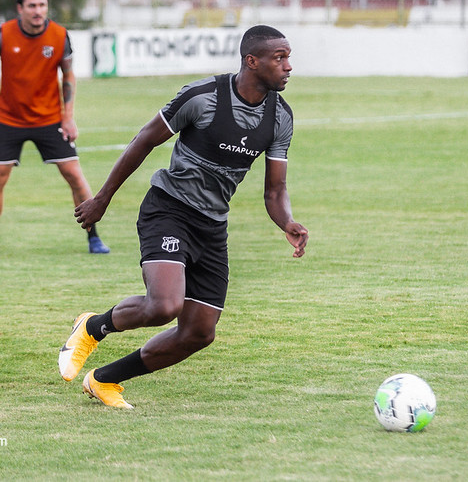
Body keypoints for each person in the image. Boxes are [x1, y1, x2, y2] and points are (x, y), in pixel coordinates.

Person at [58, 25, 308, 408]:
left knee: (198, 333)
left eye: (289, 57)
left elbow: (275, 190)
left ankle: (103, 380)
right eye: (280, 58)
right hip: (169, 209)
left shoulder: (280, 118)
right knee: (164, 306)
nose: (288, 66)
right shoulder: (202, 97)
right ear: (251, 61)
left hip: (212, 226)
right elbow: (144, 140)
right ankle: (93, 326)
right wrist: (101, 199)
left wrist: (287, 221)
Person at [0, 0, 109, 256]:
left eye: (42, 5)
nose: (38, 11)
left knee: (74, 175)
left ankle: (94, 238)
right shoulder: (2, 35)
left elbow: (69, 76)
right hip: (10, 120)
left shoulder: (60, 36)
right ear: (20, 8)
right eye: (32, 6)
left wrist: (69, 117)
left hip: (50, 119)